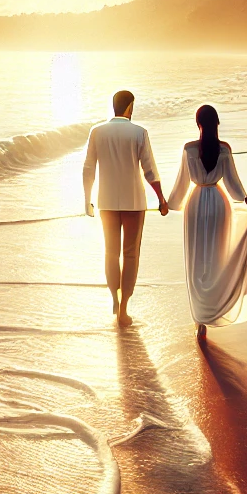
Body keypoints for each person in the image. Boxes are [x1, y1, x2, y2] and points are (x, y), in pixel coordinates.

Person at [166, 104, 247, 341]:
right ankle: (215, 309)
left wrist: (170, 204)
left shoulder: (188, 150)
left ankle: (199, 319)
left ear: (198, 124)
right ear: (216, 124)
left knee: (196, 262)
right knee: (217, 259)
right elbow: (233, 185)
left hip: (196, 204)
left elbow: (181, 185)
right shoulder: (224, 149)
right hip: (219, 205)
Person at [83, 89, 168, 326]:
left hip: (107, 202)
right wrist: (161, 199)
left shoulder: (97, 132)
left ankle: (114, 297)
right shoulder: (139, 132)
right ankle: (124, 308)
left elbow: (88, 167)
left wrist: (86, 199)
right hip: (133, 202)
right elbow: (150, 170)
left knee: (111, 252)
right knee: (130, 254)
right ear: (129, 107)